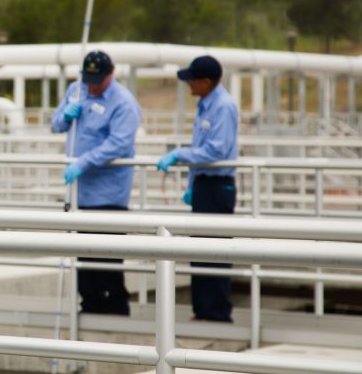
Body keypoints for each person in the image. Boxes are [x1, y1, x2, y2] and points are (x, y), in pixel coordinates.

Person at [51, 51, 141, 315]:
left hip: (109, 192)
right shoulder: (76, 90)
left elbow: (119, 143)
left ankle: (114, 307)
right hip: (81, 192)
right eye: (88, 78)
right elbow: (55, 125)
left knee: (107, 252)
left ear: (111, 75)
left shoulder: (123, 102)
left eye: (98, 80)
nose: (92, 85)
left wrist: (84, 162)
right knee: (83, 253)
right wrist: (66, 117)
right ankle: (89, 304)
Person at [156, 54, 238, 323]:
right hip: (205, 183)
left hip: (217, 185)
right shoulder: (206, 104)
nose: (188, 84)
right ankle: (203, 310)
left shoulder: (223, 106)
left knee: (214, 250)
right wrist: (192, 184)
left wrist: (180, 154)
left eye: (192, 80)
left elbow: (216, 149)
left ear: (206, 81)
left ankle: (216, 313)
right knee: (200, 251)